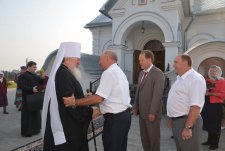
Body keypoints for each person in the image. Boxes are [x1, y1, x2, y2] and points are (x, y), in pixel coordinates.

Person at [63, 50, 132, 151]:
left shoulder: (109, 72)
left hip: (115, 120)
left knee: (112, 147)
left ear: (108, 59)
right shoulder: (118, 71)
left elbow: (99, 98)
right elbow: (109, 94)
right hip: (123, 117)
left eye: (101, 60)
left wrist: (74, 102)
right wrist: (93, 96)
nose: (99, 62)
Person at [42, 42, 100, 151]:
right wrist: (90, 113)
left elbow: (71, 97)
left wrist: (83, 97)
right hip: (67, 126)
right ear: (67, 58)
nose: (79, 62)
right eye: (77, 59)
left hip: (67, 122)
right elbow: (69, 104)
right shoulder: (63, 74)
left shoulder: (65, 72)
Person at [167, 54, 206, 151]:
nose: (173, 65)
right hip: (179, 121)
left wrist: (188, 127)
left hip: (187, 121)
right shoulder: (180, 78)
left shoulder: (195, 79)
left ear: (185, 63)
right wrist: (173, 118)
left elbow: (196, 106)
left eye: (176, 62)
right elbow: (179, 100)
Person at [132, 50, 164, 151]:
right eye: (139, 60)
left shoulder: (158, 73)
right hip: (142, 112)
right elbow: (138, 91)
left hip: (151, 114)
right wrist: (135, 106)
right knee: (144, 139)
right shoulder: (141, 73)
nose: (140, 62)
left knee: (153, 140)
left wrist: (152, 112)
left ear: (149, 59)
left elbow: (157, 95)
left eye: (142, 60)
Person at [18, 61, 45, 137]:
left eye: (36, 67)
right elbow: (21, 85)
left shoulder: (35, 75)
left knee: (35, 114)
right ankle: (27, 132)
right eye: (34, 67)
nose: (35, 68)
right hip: (27, 98)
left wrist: (42, 78)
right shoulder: (23, 75)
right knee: (28, 116)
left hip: (35, 98)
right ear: (28, 67)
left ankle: (36, 130)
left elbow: (40, 82)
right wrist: (31, 89)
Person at [201, 65, 225, 150]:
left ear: (219, 72)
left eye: (214, 71)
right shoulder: (207, 80)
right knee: (209, 123)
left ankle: (215, 144)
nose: (212, 72)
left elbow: (223, 95)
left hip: (216, 106)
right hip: (207, 104)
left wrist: (210, 93)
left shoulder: (222, 81)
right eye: (211, 71)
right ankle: (209, 141)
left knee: (216, 125)